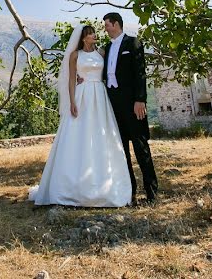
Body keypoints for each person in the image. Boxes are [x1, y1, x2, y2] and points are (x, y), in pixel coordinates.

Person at [29, 25, 132, 207]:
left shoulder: (101, 52)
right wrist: (72, 102)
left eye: (94, 33)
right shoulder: (75, 55)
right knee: (78, 135)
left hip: (100, 95)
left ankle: (104, 185)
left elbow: (110, 72)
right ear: (84, 38)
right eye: (91, 33)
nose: (94, 35)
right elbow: (70, 79)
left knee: (102, 135)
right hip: (82, 95)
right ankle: (71, 186)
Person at [102, 12, 159, 203]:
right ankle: (130, 191)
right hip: (113, 105)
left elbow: (140, 73)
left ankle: (151, 192)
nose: (105, 29)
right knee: (122, 150)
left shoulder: (133, 43)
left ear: (116, 24)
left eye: (107, 25)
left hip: (133, 104)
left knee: (141, 147)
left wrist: (140, 100)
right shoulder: (107, 48)